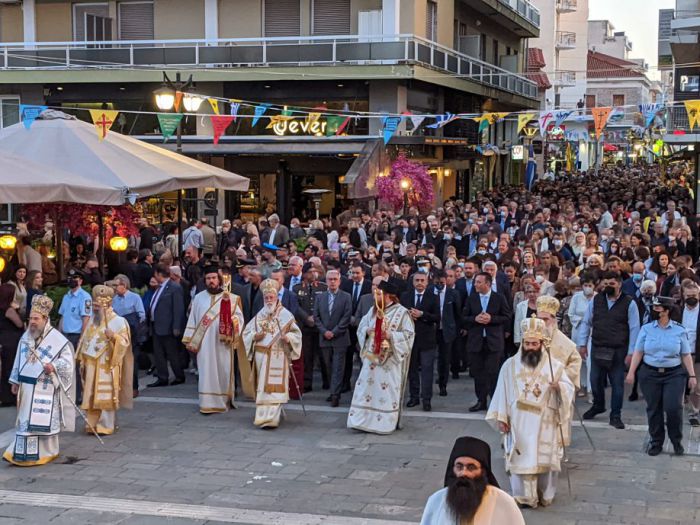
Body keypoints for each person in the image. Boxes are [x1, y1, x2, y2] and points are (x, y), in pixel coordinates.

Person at [486, 317, 575, 508]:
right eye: (527, 343)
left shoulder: (555, 365)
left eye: (534, 343)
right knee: (520, 457)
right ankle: (523, 497)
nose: (531, 347)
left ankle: (545, 494)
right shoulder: (509, 365)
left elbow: (569, 387)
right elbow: (501, 392)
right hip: (518, 421)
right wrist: (501, 417)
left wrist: (559, 387)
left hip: (545, 420)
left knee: (545, 460)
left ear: (542, 343)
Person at [3, 295, 75, 466]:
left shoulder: (58, 339)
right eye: (30, 318)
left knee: (44, 422)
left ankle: (48, 451)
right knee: (25, 420)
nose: (32, 322)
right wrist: (15, 381)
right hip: (27, 386)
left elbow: (67, 361)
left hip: (47, 386)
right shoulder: (26, 337)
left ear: (45, 319)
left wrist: (54, 366)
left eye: (36, 318)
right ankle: (22, 452)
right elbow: (18, 360)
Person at [627, 296, 696, 456]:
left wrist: (692, 375)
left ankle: (676, 440)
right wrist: (631, 372)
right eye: (654, 307)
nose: (654, 310)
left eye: (658, 307)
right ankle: (656, 442)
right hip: (650, 373)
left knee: (673, 408)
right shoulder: (647, 329)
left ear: (667, 310)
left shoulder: (679, 330)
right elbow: (639, 351)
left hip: (674, 374)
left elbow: (685, 354)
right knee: (654, 409)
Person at [348, 280, 415, 434]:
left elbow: (409, 335)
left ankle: (384, 423)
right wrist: (367, 330)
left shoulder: (402, 313)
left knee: (385, 390)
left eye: (379, 294)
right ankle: (362, 420)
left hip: (389, 361)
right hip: (371, 359)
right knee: (365, 388)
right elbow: (361, 327)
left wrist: (390, 335)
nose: (375, 296)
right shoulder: (373, 310)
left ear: (388, 296)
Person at [576, 271, 640, 429]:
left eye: (611, 284)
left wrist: (632, 353)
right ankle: (598, 405)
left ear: (619, 284)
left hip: (619, 350)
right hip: (598, 346)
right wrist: (582, 344)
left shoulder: (629, 303)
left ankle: (615, 415)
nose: (608, 287)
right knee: (595, 381)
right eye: (605, 284)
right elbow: (586, 322)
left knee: (617, 384)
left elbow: (634, 328)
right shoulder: (596, 300)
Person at [420, 436, 525, 525]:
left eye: (471, 467)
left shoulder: (504, 503)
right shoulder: (436, 501)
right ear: (452, 469)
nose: (463, 473)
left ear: (483, 471)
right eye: (459, 467)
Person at [183, 266, 245, 414]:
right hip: (204, 344)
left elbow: (240, 318)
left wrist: (232, 323)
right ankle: (206, 402)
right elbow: (192, 320)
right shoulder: (198, 298)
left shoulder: (231, 298)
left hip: (223, 343)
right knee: (206, 371)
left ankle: (224, 400)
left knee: (223, 369)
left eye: (213, 278)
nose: (211, 281)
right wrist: (190, 340)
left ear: (219, 279)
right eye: (208, 278)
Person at [241, 278, 302, 428]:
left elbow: (297, 334)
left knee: (273, 389)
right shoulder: (260, 314)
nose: (268, 300)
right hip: (261, 357)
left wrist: (288, 337)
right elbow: (247, 332)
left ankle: (272, 417)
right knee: (262, 388)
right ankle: (262, 414)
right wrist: (255, 336)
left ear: (276, 298)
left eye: (271, 297)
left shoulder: (285, 315)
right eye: (266, 297)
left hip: (278, 356)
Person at [75, 285, 133, 436]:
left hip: (106, 364)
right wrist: (81, 357)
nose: (94, 309)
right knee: (91, 395)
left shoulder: (119, 322)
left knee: (104, 395)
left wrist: (113, 336)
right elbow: (85, 340)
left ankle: (106, 424)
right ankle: (92, 424)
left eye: (97, 306)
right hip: (91, 365)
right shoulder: (93, 321)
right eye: (94, 305)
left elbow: (125, 343)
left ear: (107, 305)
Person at [463, 272, 512, 412]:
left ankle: (495, 401)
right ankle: (481, 400)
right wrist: (475, 319)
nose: (476, 284)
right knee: (478, 372)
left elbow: (507, 316)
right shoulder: (471, 298)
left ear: (488, 284)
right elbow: (464, 317)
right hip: (476, 341)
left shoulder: (498, 298)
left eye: (479, 282)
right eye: (475, 282)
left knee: (493, 372)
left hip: (494, 341)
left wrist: (492, 319)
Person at [402, 271, 440, 411]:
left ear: (427, 282)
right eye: (417, 280)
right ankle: (414, 397)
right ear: (413, 282)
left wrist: (422, 315)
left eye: (422, 280)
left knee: (427, 370)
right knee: (411, 369)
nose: (419, 283)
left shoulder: (433, 297)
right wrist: (409, 316)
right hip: (410, 338)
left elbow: (437, 317)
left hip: (427, 339)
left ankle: (427, 399)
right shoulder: (405, 296)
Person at [313, 269, 352, 407]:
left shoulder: (346, 296)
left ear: (339, 281)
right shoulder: (320, 297)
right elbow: (316, 317)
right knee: (328, 367)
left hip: (340, 337)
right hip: (324, 337)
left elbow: (346, 316)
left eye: (335, 279)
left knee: (338, 367)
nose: (333, 282)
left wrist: (334, 332)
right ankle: (333, 390)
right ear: (326, 281)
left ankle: (336, 394)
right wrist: (324, 331)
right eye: (330, 279)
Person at [147, 264, 186, 387]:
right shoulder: (158, 288)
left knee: (172, 353)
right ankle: (162, 377)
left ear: (159, 274)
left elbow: (178, 308)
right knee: (158, 353)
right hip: (156, 325)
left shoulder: (174, 287)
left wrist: (176, 327)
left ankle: (179, 375)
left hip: (168, 327)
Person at [294, 263, 329, 392]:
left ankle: (327, 381)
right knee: (307, 356)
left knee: (323, 355)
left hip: (320, 326)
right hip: (305, 326)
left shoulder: (323, 287)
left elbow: (325, 305)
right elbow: (296, 306)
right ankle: (307, 383)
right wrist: (306, 317)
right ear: (304, 273)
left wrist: (316, 318)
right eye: (311, 271)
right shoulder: (297, 288)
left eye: (316, 271)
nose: (314, 274)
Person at [675, 280, 700, 425]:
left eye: (695, 295)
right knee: (677, 384)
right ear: (683, 295)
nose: (692, 297)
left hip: (697, 353)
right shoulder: (677, 311)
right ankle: (675, 412)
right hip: (679, 353)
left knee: (696, 387)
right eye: (689, 295)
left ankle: (694, 412)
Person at [0, 283, 23, 406]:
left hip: (3, 340)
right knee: (10, 368)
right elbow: (19, 324)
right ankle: (10, 396)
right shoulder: (9, 310)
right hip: (11, 341)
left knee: (4, 369)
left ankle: (4, 396)